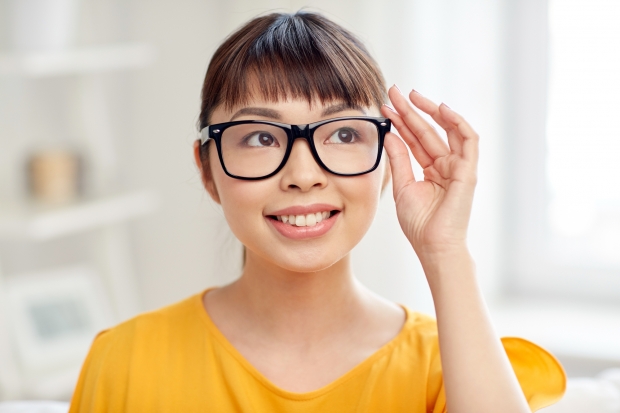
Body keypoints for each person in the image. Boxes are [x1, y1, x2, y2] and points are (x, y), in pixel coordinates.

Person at [69, 11, 565, 412]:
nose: (303, 174)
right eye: (261, 137)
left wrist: (446, 252)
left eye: (344, 134)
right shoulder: (125, 363)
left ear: (387, 162)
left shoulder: (451, 367)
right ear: (208, 170)